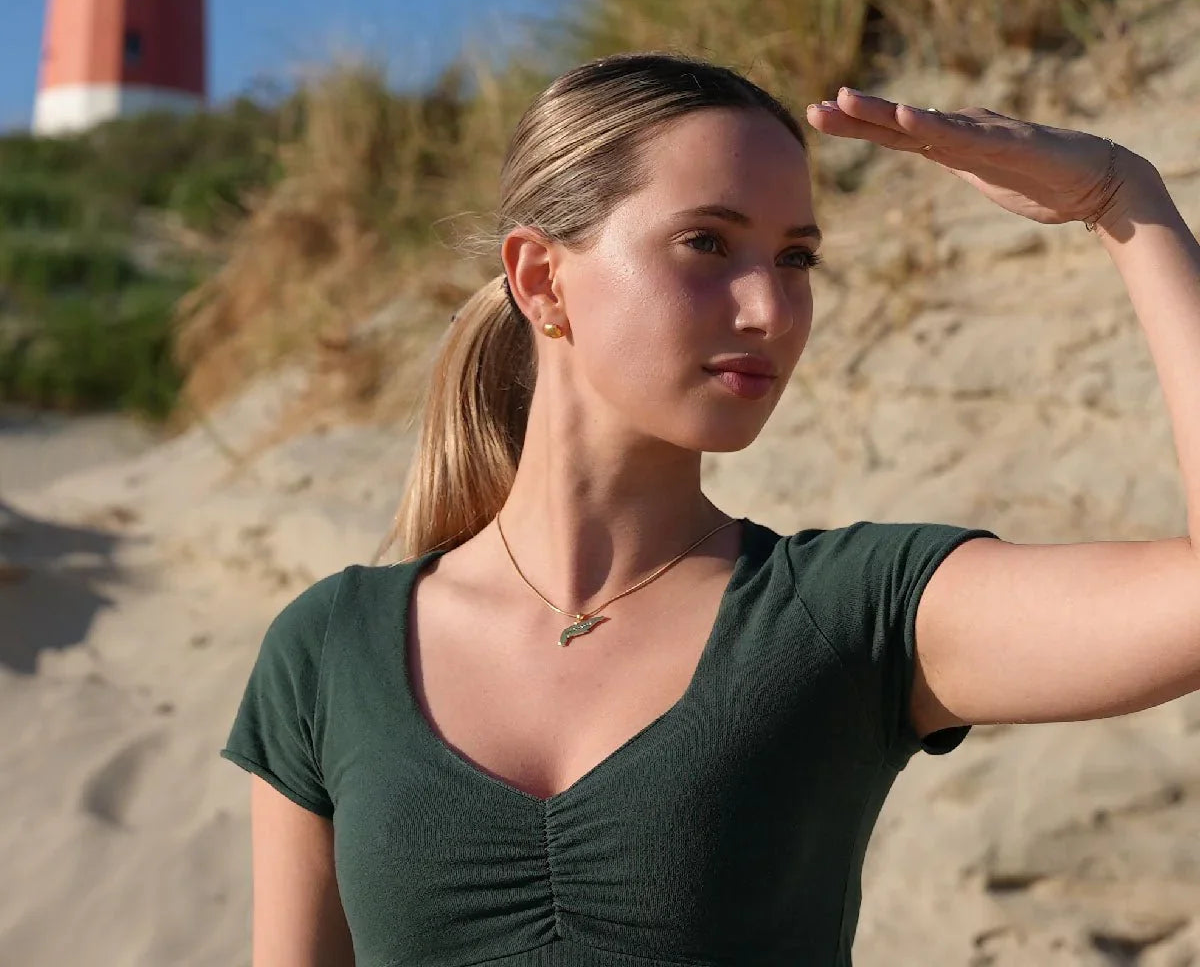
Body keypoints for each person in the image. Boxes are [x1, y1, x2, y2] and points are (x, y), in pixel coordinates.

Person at [220, 52, 1200, 966]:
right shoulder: (327, 653)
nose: (770, 311)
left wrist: (1127, 203)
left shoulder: (845, 614)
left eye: (796, 258)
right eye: (707, 243)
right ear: (540, 277)